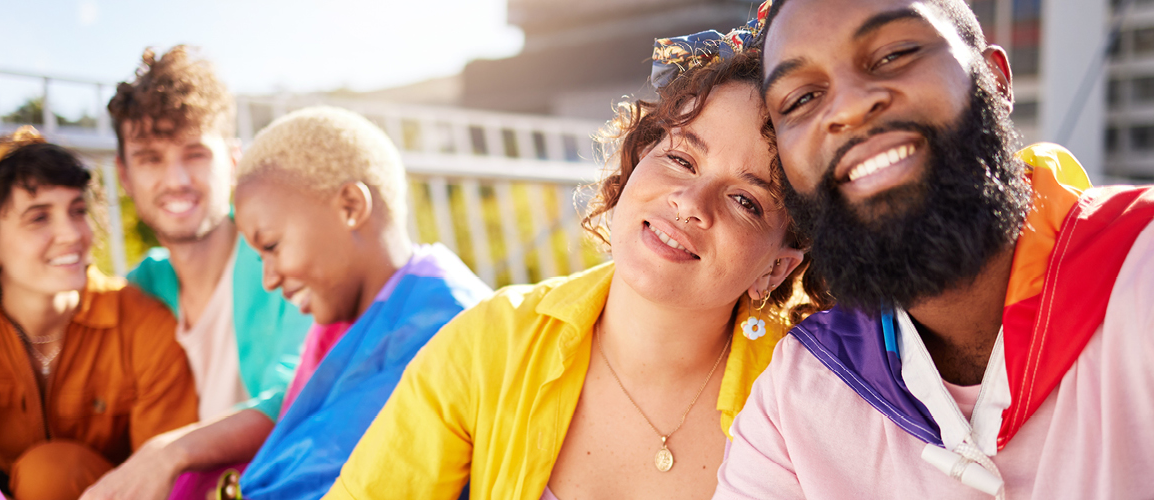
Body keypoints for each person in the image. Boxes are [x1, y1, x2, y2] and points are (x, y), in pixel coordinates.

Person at [715, 0, 1154, 498]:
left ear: (995, 80)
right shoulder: (795, 399)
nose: (845, 108)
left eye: (893, 55)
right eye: (801, 98)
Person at [325, 12, 818, 500]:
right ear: (634, 166)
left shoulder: (811, 392)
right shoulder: (489, 343)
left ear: (778, 265)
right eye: (681, 159)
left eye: (745, 201)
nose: (690, 203)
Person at [0, 127, 198, 500]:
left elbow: (171, 481)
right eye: (39, 217)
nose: (72, 234)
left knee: (50, 471)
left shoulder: (142, 320)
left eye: (78, 211)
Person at [81, 47, 311, 499]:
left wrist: (171, 452)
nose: (177, 180)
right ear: (123, 174)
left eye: (195, 154)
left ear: (232, 159)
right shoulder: (137, 291)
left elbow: (302, 392)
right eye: (150, 158)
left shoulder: (283, 259)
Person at [231, 106, 494, 500]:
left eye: (271, 246)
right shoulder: (353, 323)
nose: (268, 278)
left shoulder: (447, 327)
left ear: (350, 206)